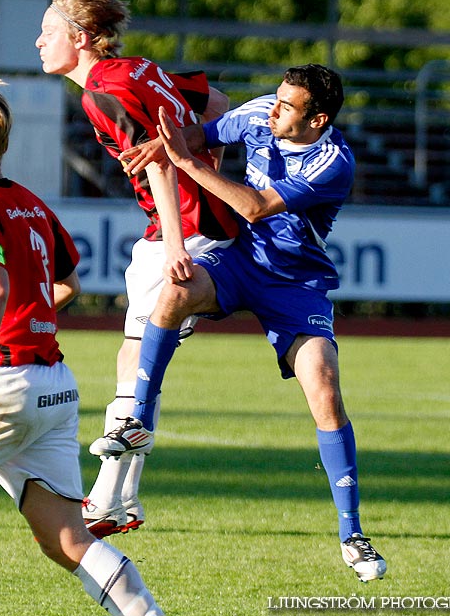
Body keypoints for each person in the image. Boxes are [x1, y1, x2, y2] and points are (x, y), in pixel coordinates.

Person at [100, 64, 387, 583]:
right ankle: (138, 420)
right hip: (238, 262)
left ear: (317, 119)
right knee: (174, 293)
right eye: (275, 98)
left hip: (294, 284)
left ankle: (353, 534)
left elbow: (255, 208)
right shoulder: (258, 113)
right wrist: (157, 147)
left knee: (324, 387)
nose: (272, 109)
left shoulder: (333, 162)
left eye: (287, 105)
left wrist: (185, 162)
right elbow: (201, 132)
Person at [0, 77, 164, 615]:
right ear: (4, 141)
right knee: (69, 541)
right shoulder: (30, 204)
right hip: (52, 388)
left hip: (0, 384)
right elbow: (64, 287)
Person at [35, 0, 237, 538]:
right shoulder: (138, 68)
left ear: (79, 38)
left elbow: (160, 166)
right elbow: (216, 104)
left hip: (186, 231)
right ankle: (117, 499)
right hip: (187, 224)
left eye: (48, 33)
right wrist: (209, 160)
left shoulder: (102, 92)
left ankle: (107, 500)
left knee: (138, 361)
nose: (39, 42)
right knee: (138, 361)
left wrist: (175, 245)